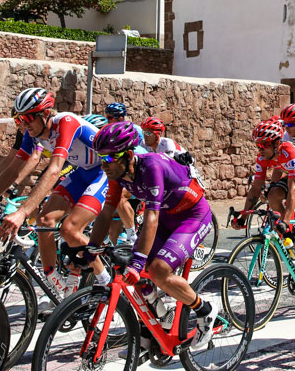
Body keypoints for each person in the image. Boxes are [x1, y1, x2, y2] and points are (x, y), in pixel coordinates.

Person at [86, 121, 219, 350]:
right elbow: (108, 210)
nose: (103, 164)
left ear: (128, 155)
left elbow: (151, 217)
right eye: (101, 158)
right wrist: (90, 248)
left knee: (157, 270)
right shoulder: (117, 173)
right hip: (168, 216)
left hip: (192, 216)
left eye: (108, 158)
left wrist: (139, 262)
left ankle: (205, 310)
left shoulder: (151, 167)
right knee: (130, 267)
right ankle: (160, 317)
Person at [0, 88, 110, 298]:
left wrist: (22, 213)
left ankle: (107, 284)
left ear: (45, 114)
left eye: (28, 119)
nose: (24, 126)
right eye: (19, 120)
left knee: (70, 230)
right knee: (44, 222)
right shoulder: (31, 134)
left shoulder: (66, 122)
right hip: (83, 173)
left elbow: (55, 170)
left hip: (105, 171)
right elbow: (12, 171)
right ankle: (58, 287)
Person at [237, 118, 295, 228]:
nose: (260, 150)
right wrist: (243, 218)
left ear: (276, 144)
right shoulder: (263, 158)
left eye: (264, 145)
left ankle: (292, 225)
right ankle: (289, 234)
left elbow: (294, 189)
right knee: (273, 194)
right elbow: (256, 188)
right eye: (258, 146)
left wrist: (285, 221)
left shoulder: (290, 153)